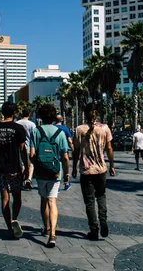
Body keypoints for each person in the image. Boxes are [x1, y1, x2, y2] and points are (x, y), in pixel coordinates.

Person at [72, 103, 116, 240]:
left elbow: (76, 150)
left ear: (85, 113)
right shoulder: (104, 129)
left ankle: (94, 228)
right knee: (101, 196)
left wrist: (74, 167)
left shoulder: (79, 129)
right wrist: (112, 166)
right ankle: (103, 221)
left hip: (86, 171)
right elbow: (109, 149)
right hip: (101, 169)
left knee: (89, 201)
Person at [30, 103, 70, 248]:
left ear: (41, 116)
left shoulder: (36, 131)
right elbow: (65, 156)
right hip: (55, 171)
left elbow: (32, 154)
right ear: (54, 117)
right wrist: (67, 174)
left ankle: (46, 228)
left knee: (43, 200)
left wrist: (35, 164)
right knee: (52, 201)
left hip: (40, 172)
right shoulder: (60, 133)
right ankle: (53, 234)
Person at [0, 102, 29, 239]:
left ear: (2, 113)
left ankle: (8, 227)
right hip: (15, 169)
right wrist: (27, 167)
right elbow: (23, 150)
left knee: (4, 198)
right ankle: (14, 219)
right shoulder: (18, 128)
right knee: (17, 197)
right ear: (14, 113)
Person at [16, 106, 36, 190]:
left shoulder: (17, 123)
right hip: (29, 147)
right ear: (29, 115)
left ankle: (22, 180)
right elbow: (34, 137)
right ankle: (29, 179)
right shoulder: (32, 124)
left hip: (19, 147)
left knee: (22, 164)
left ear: (21, 114)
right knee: (31, 164)